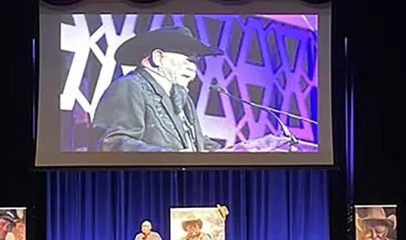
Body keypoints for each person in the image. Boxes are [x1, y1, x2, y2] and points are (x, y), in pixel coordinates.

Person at [91, 25, 290, 152]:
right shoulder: (129, 86)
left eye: (195, 62)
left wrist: (244, 150)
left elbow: (199, 147)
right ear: (157, 57)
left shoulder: (182, 98)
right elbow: (112, 144)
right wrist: (173, 157)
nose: (193, 69)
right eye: (187, 60)